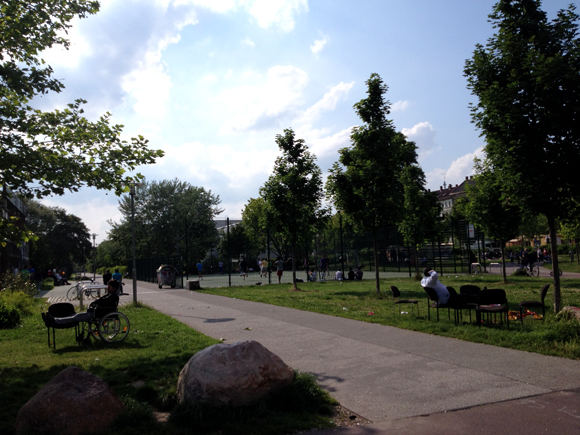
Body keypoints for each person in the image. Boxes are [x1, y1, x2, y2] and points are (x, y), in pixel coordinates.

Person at [43, 280, 120, 327]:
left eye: (109, 287)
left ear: (114, 288)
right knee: (76, 316)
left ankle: (55, 320)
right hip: (98, 312)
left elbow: (103, 302)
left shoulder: (112, 296)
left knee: (76, 317)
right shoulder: (112, 295)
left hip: (98, 313)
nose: (107, 288)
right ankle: (54, 319)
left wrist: (95, 303)